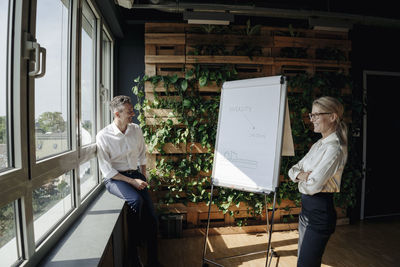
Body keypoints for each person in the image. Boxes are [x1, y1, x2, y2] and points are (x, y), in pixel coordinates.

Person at [96, 95, 160, 267]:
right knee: (135, 200)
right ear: (117, 114)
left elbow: (141, 156)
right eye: (129, 112)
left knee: (153, 220)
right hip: (115, 179)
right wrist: (132, 182)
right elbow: (107, 170)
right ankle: (134, 255)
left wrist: (143, 177)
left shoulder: (136, 130)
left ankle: (153, 261)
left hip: (135, 175)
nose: (133, 114)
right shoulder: (103, 136)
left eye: (132, 111)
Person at [288, 96, 348, 267]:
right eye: (311, 115)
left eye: (316, 115)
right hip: (306, 211)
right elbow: (292, 169)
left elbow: (313, 185)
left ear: (332, 117)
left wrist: (301, 177)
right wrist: (302, 175)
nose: (311, 119)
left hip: (320, 213)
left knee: (306, 264)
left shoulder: (334, 148)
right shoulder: (317, 145)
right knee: (303, 261)